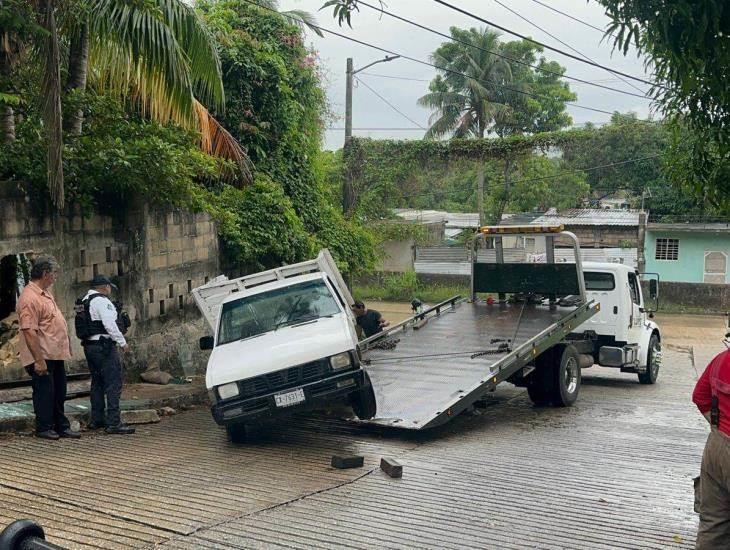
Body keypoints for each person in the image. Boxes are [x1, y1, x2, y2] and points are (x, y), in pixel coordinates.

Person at [16, 256, 80, 440]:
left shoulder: (44, 293)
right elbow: (29, 331)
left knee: (59, 392)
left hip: (54, 353)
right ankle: (44, 427)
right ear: (45, 274)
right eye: (54, 273)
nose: (55, 277)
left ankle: (60, 425)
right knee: (45, 393)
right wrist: (39, 360)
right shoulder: (29, 297)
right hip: (42, 355)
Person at [81, 275, 135, 435]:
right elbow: (110, 325)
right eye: (109, 287)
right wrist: (123, 343)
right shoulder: (102, 301)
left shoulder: (84, 300)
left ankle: (97, 419)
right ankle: (113, 422)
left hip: (89, 346)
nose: (110, 290)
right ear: (104, 287)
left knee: (97, 383)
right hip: (104, 346)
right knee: (113, 383)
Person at [692, 341, 730, 549]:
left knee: (713, 525)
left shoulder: (721, 359)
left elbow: (700, 396)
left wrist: (719, 428)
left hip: (716, 448)